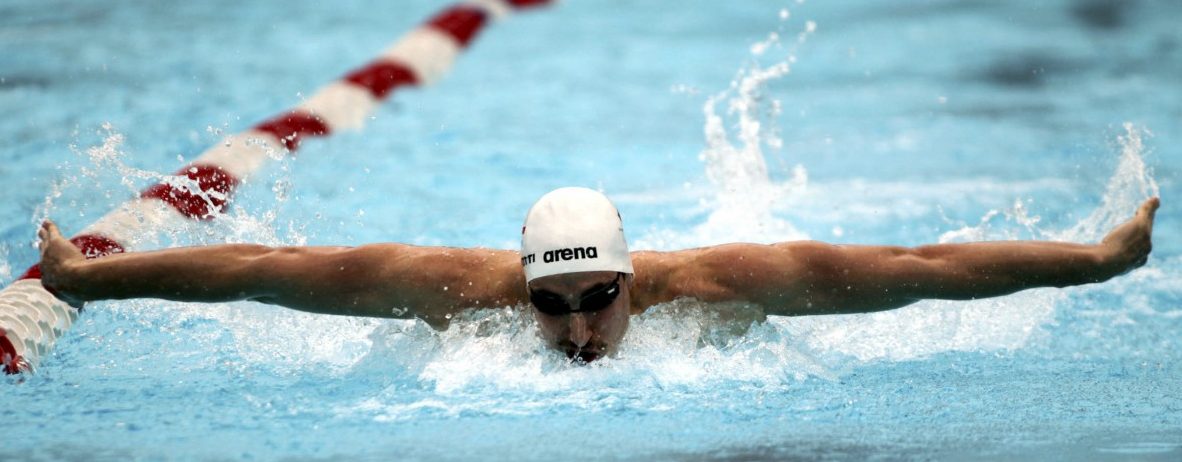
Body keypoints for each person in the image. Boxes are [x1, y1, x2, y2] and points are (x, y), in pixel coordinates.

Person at [36, 187, 1159, 363]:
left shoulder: (727, 281)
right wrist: (89, 284)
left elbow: (921, 266)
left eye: (598, 302)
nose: (577, 337)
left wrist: (1099, 263)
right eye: (551, 306)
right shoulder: (447, 289)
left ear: (635, 283)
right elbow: (259, 270)